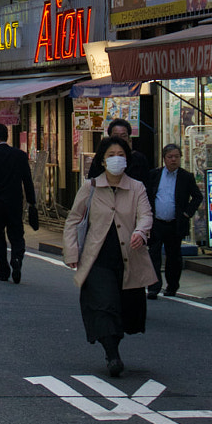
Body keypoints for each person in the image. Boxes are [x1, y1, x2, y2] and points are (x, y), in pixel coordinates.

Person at [64, 136, 155, 378]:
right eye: (111, 155)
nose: (117, 159)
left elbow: (145, 215)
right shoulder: (91, 187)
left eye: (121, 155)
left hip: (127, 258)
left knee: (123, 308)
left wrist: (140, 232)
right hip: (98, 258)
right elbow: (74, 220)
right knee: (104, 305)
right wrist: (72, 251)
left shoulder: (137, 188)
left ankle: (114, 345)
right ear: (103, 161)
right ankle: (112, 354)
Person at [0, 123, 38, 283]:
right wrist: (32, 202)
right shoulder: (19, 155)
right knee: (17, 234)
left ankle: (3, 270)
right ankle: (17, 259)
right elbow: (27, 181)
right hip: (14, 203)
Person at [145, 143, 204, 298]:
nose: (173, 160)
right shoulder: (155, 175)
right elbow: (147, 195)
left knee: (174, 257)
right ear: (164, 159)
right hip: (156, 222)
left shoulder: (186, 177)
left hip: (175, 223)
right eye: (170, 157)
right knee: (153, 255)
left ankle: (172, 286)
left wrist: (187, 214)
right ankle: (153, 287)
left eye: (176, 157)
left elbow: (197, 197)